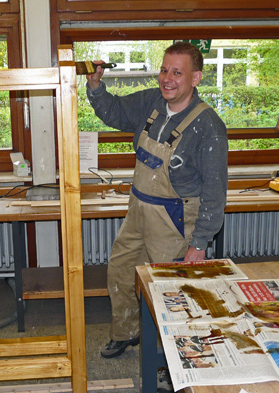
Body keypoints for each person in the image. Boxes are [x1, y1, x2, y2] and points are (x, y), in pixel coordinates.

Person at [86, 42, 228, 368]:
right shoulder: (152, 101)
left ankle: (175, 361)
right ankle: (126, 332)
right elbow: (114, 111)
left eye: (177, 72)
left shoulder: (208, 127)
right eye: (164, 70)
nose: (167, 78)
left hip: (174, 219)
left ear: (196, 78)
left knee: (171, 294)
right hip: (139, 208)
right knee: (120, 271)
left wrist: (199, 244)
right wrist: (95, 86)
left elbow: (215, 191)